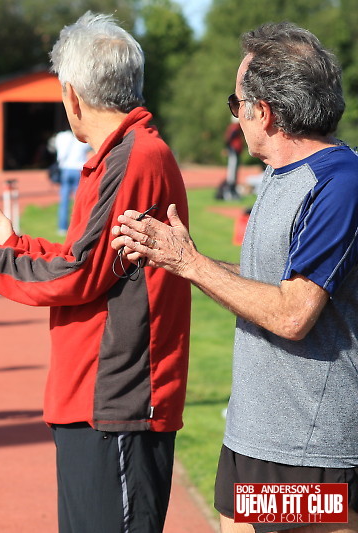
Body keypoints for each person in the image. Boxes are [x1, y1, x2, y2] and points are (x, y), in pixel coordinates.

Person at [0, 12, 191, 532]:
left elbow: (77, 275)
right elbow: (87, 257)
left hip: (117, 400)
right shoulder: (119, 156)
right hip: (96, 397)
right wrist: (11, 244)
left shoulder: (135, 158)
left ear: (73, 94)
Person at [112, 22, 358, 533]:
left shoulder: (339, 183)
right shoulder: (278, 174)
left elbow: (292, 313)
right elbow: (261, 284)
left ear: (262, 112)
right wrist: (179, 256)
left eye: (235, 102)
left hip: (310, 448)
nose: (236, 115)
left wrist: (190, 264)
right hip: (253, 434)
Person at [53, 128, 91, 235]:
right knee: (78, 200)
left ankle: (62, 227)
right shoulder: (81, 137)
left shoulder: (61, 136)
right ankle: (78, 227)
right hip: (78, 169)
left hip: (65, 169)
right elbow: (88, 149)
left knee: (64, 201)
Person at [219, 116, 244, 200]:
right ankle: (229, 193)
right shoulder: (234, 128)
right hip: (233, 151)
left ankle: (232, 192)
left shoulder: (234, 128)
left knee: (234, 172)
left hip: (235, 151)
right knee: (232, 173)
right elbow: (228, 139)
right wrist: (228, 148)